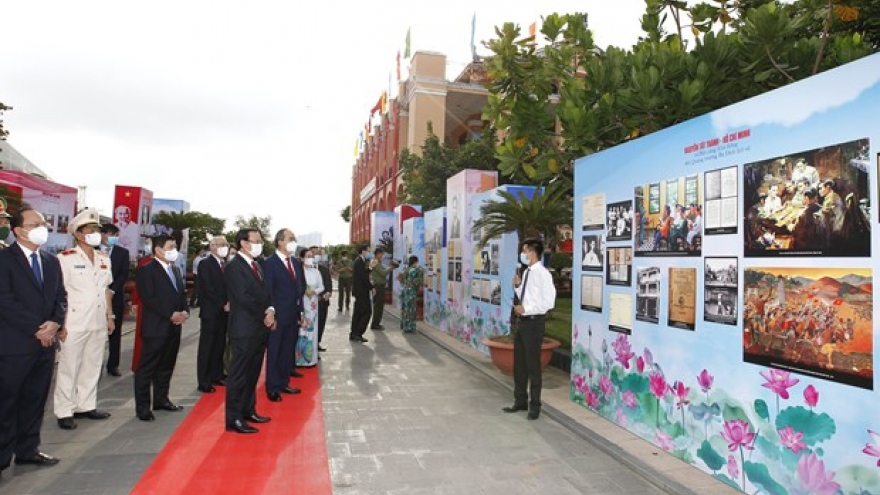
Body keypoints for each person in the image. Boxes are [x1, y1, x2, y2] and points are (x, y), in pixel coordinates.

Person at [0, 205, 66, 476]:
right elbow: (5, 300)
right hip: (16, 344)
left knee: (35, 399)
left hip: (45, 345)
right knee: (7, 403)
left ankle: (28, 450)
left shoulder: (51, 261)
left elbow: (59, 297)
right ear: (18, 231)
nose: (43, 227)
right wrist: (38, 328)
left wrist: (55, 322)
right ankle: (2, 457)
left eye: (43, 223)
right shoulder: (4, 260)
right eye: (35, 223)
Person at [54, 209, 114, 430]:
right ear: (78, 235)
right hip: (74, 321)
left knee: (93, 364)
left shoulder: (104, 258)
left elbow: (107, 289)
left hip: (98, 320)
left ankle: (86, 405)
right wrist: (61, 322)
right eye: (90, 230)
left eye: (97, 230)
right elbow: (59, 292)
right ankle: (64, 410)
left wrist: (110, 316)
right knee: (69, 366)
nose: (95, 234)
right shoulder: (66, 259)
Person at [225, 228, 277, 434]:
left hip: (259, 328)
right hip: (244, 329)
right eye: (256, 241)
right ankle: (234, 418)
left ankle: (248, 410)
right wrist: (265, 313)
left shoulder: (256, 265)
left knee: (253, 372)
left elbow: (267, 292)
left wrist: (271, 309)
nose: (259, 244)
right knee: (238, 375)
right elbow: (243, 298)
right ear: (244, 244)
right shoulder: (234, 267)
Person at [133, 235, 188, 421]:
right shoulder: (147, 270)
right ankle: (142, 407)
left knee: (166, 365)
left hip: (174, 327)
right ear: (158, 250)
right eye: (171, 246)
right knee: (146, 368)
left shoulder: (176, 270)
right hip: (156, 327)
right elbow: (149, 298)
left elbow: (181, 294)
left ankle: (161, 399)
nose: (175, 250)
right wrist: (169, 314)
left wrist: (185, 312)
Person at [502, 238, 556, 420]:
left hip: (534, 323)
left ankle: (535, 405)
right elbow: (527, 296)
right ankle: (520, 400)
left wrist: (527, 309)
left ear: (532, 252)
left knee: (533, 366)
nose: (522, 254)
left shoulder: (543, 274)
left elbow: (548, 302)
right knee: (520, 364)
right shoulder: (526, 273)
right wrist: (517, 287)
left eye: (524, 251)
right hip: (522, 322)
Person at [261, 229, 304, 403]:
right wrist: (271, 314)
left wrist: (300, 311)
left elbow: (299, 288)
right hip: (277, 316)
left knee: (287, 351)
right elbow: (268, 291)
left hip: (293, 315)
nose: (293, 241)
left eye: (294, 238)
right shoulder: (269, 263)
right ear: (279, 241)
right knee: (275, 352)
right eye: (290, 239)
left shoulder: (295, 262)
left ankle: (284, 382)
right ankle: (272, 387)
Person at [196, 235, 229, 393]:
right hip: (211, 311)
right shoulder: (205, 264)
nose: (225, 247)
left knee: (219, 345)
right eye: (222, 244)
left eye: (226, 244)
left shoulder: (225, 264)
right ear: (213, 246)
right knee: (207, 346)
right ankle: (204, 380)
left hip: (225, 312)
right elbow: (208, 289)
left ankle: (217, 375)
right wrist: (223, 303)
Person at [101, 223, 129, 377]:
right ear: (103, 234)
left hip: (115, 297)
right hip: (96, 298)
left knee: (115, 333)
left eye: (116, 235)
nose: (114, 238)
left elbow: (123, 274)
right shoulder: (93, 250)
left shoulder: (122, 252)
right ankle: (95, 365)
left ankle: (113, 365)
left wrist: (112, 290)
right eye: (111, 234)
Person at [297, 248, 324, 367]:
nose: (311, 258)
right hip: (302, 303)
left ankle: (311, 359)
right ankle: (299, 359)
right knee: (302, 331)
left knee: (312, 330)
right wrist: (303, 291)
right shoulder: (298, 271)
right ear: (302, 258)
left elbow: (321, 287)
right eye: (308, 256)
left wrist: (314, 291)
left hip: (313, 304)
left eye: (311, 256)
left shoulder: (316, 272)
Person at [349, 244, 372, 343]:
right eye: (367, 251)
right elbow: (363, 277)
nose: (368, 253)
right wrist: (371, 287)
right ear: (363, 251)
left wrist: (369, 268)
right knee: (366, 312)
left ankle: (354, 334)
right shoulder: (359, 262)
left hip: (360, 292)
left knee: (358, 313)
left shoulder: (360, 261)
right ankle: (358, 333)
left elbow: (363, 274)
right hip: (361, 292)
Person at [313, 247, 332, 352]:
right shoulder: (303, 268)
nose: (317, 255)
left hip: (323, 302)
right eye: (315, 253)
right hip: (310, 303)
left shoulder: (323, 269)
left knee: (321, 323)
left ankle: (317, 343)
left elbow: (328, 284)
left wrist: (328, 293)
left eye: (319, 254)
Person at [398, 256, 423, 333]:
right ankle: (409, 327)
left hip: (405, 290)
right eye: (417, 262)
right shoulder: (414, 270)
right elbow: (415, 281)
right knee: (411, 309)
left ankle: (404, 325)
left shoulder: (406, 269)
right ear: (415, 262)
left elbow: (401, 279)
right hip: (411, 291)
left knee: (405, 308)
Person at [369, 247, 391, 331]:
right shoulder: (375, 262)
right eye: (381, 254)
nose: (382, 256)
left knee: (380, 306)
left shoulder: (378, 262)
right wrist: (390, 268)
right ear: (378, 254)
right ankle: (375, 324)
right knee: (378, 306)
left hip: (380, 286)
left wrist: (389, 268)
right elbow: (383, 273)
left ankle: (377, 323)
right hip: (378, 286)